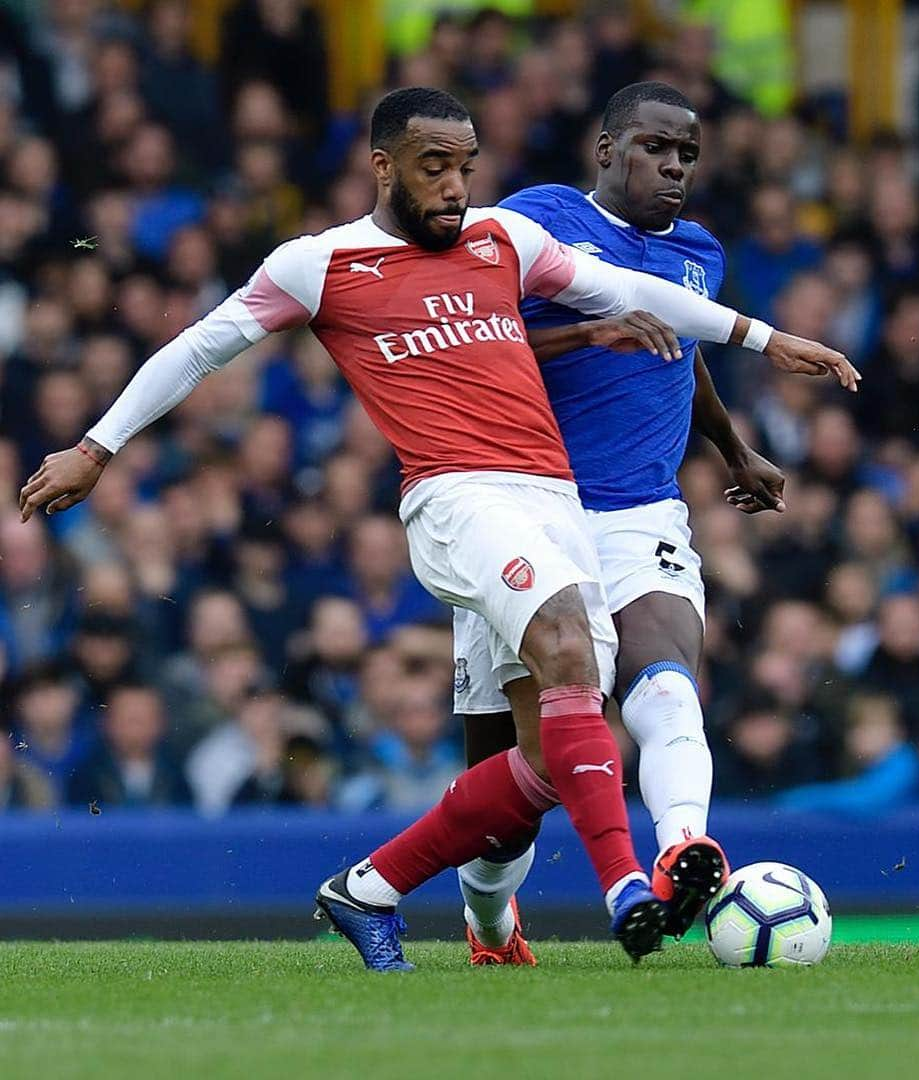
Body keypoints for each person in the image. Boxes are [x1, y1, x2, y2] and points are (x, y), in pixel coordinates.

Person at [19, 87, 858, 970]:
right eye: (434, 167)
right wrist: (96, 447)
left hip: (553, 503)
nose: (456, 186)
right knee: (574, 649)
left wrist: (767, 341)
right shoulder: (322, 263)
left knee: (541, 765)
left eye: (466, 167)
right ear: (382, 166)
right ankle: (627, 888)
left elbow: (635, 291)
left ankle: (371, 890)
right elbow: (198, 346)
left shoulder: (507, 240)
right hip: (457, 500)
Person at [453, 82, 792, 964]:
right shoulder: (539, 221)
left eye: (686, 154)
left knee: (669, 683)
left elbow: (676, 347)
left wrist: (731, 448)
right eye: (653, 147)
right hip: (522, 514)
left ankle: (684, 847)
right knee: (515, 795)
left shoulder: (699, 253)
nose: (673, 166)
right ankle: (490, 921)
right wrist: (589, 333)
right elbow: (474, 336)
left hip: (639, 509)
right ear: (606, 149)